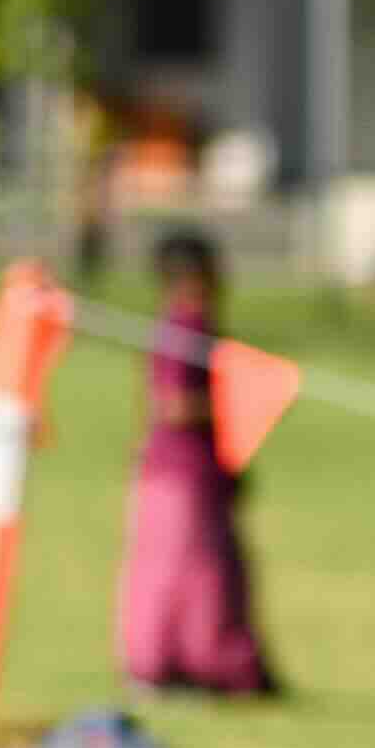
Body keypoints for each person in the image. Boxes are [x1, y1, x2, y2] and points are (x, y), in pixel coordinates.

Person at [111, 227, 278, 698]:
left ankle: (217, 665)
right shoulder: (183, 329)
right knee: (182, 575)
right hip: (178, 473)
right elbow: (172, 405)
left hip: (202, 471)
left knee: (216, 571)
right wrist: (246, 395)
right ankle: (165, 665)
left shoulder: (198, 328)